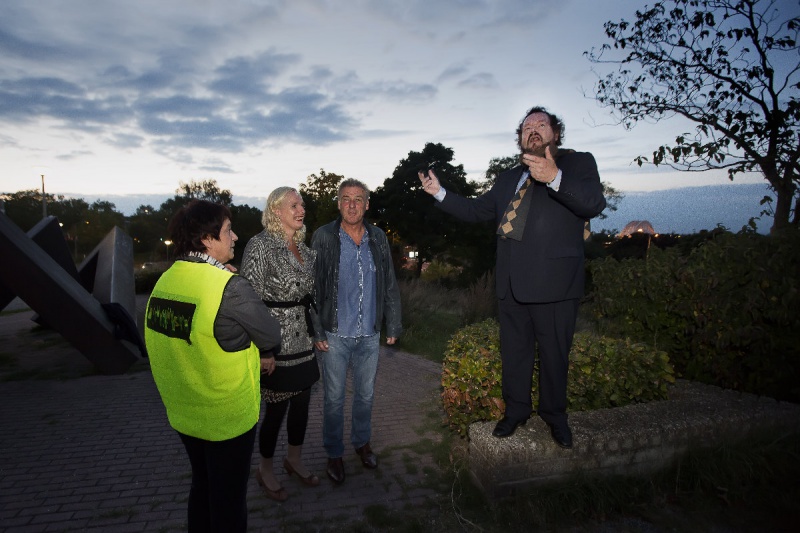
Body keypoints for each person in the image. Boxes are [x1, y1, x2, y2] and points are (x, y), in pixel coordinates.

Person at [418, 106, 606, 448]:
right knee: (515, 353)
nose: (533, 129)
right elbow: (477, 210)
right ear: (520, 138)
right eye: (527, 126)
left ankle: (555, 416)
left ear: (556, 133)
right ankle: (516, 411)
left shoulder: (577, 164)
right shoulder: (508, 178)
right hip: (511, 284)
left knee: (554, 355)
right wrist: (439, 193)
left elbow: (593, 203)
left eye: (541, 124)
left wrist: (555, 177)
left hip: (555, 283)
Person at [144, 199, 281, 532]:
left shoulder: (166, 282)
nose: (234, 237)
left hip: (184, 412)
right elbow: (270, 334)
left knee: (202, 486)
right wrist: (237, 288)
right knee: (229, 501)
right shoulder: (230, 288)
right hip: (226, 416)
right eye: (227, 230)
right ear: (206, 239)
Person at [310, 178, 402, 484]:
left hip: (369, 334)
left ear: (367, 204)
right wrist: (317, 331)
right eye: (346, 199)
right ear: (338, 203)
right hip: (335, 333)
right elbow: (312, 287)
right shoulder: (324, 236)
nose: (352, 204)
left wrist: (394, 321)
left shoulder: (377, 237)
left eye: (358, 199)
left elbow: (388, 280)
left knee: (365, 395)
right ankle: (334, 453)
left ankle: (362, 443)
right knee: (334, 399)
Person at [240, 187, 320, 502]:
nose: (301, 210)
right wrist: (263, 348)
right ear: (276, 211)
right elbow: (249, 301)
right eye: (293, 205)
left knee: (302, 404)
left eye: (302, 204)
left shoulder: (305, 248)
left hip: (304, 339)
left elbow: (309, 298)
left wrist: (320, 334)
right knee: (276, 408)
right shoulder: (260, 245)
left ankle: (295, 459)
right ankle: (265, 468)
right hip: (274, 341)